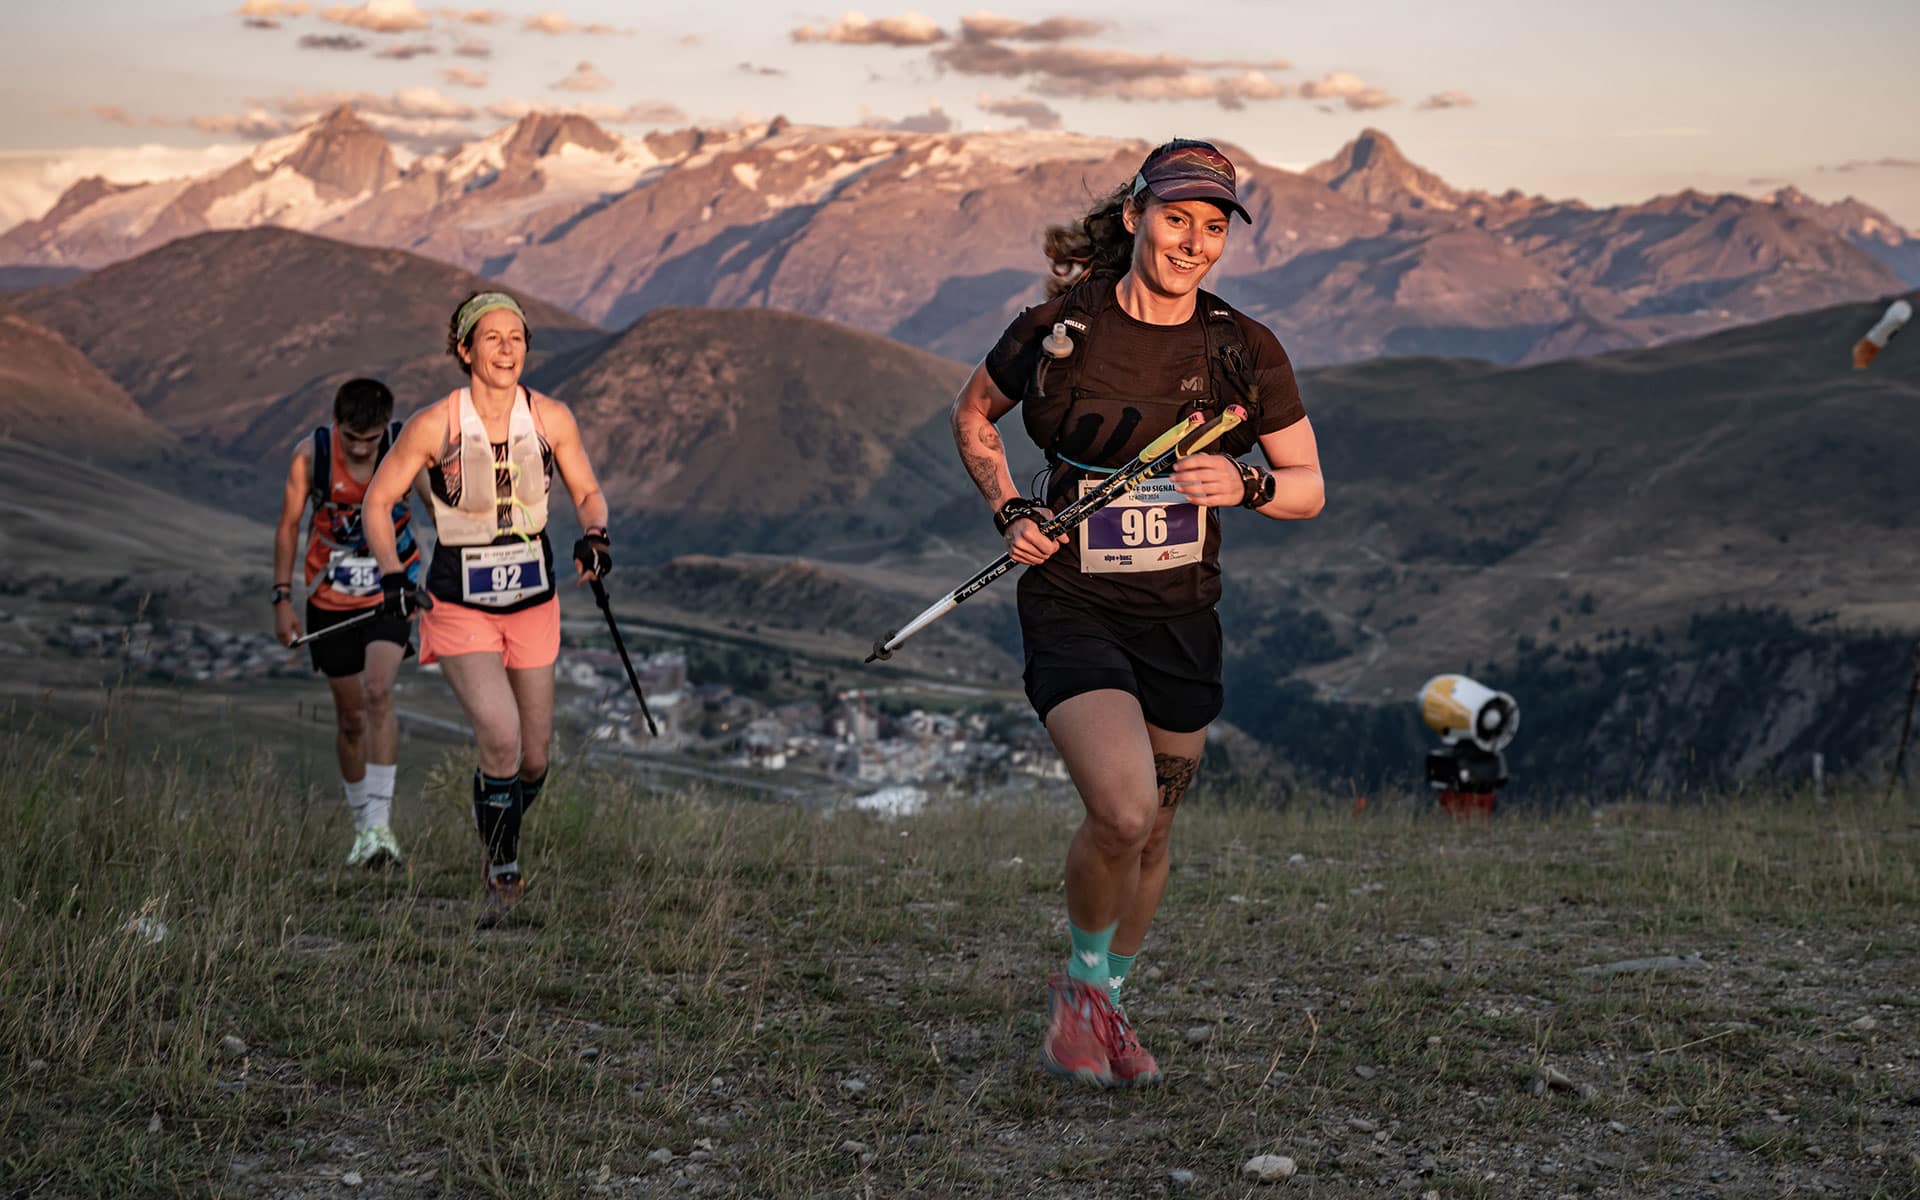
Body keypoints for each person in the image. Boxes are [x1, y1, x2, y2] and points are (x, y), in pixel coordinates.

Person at [950, 139, 1325, 1086]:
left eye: (1212, 228)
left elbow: (1309, 487)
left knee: (1156, 829)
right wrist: (1010, 509)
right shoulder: (1057, 327)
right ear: (1135, 218)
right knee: (1119, 810)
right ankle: (1080, 992)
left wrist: (1241, 486)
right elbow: (972, 415)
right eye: (1176, 219)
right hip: (1073, 600)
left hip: (1182, 615)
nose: (1193, 243)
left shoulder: (1243, 348)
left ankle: (1104, 1004)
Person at [361, 291, 612, 926]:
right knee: (499, 739)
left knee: (533, 757)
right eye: (492, 338)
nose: (506, 349)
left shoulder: (551, 417)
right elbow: (377, 501)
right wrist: (394, 572)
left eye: (517, 338)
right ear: (465, 349)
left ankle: (496, 823)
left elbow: (586, 490)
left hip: (534, 600)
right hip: (459, 602)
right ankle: (503, 870)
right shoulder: (432, 425)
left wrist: (595, 536)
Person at [272, 377, 423, 868]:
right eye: (351, 437)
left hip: (389, 593)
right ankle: (363, 831)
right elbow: (289, 525)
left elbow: (440, 508)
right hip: (329, 599)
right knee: (351, 716)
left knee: (379, 692)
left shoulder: (403, 449)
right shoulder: (310, 455)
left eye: (370, 438)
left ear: (385, 429)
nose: (360, 448)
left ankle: (382, 828)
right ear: (336, 425)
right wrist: (282, 598)